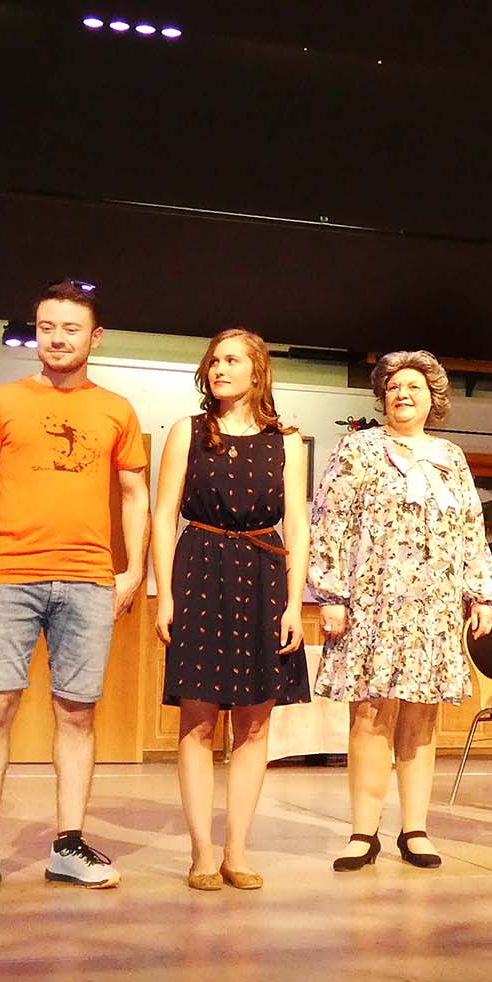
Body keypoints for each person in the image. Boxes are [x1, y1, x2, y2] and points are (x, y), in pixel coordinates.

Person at [0, 280, 149, 894]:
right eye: (46, 327)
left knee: (77, 712)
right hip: (10, 574)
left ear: (95, 337)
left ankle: (68, 845)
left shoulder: (117, 409)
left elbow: (135, 494)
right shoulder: (2, 400)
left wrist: (133, 570)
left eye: (70, 328)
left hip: (89, 579)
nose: (57, 339)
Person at [309, 350, 492, 870]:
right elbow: (330, 521)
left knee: (421, 716)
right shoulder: (360, 449)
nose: (403, 393)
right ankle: (362, 832)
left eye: (414, 386)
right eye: (394, 386)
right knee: (371, 714)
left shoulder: (450, 457)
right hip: (371, 604)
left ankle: (415, 829)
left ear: (433, 398)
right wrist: (331, 595)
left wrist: (483, 592)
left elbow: (470, 529)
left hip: (434, 609)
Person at [152, 329, 310, 891]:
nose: (219, 368)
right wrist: (165, 594)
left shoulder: (286, 441)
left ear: (257, 370)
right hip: (200, 568)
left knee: (255, 722)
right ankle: (202, 851)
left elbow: (298, 524)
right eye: (214, 360)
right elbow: (163, 515)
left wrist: (294, 602)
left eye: (232, 360)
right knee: (197, 719)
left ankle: (236, 850)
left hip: (264, 575)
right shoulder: (188, 432)